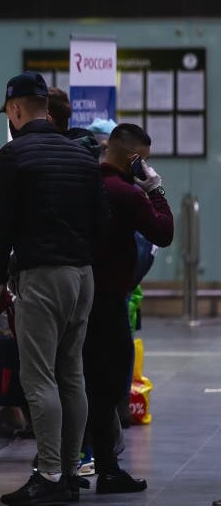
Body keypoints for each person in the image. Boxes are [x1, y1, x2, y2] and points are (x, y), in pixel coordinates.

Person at [0, 71, 108, 505]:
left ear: (16, 110)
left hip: (42, 276)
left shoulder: (14, 155)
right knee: (71, 374)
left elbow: (0, 226)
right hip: (82, 276)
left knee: (38, 378)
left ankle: (51, 475)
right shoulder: (81, 155)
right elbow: (102, 224)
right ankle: (72, 471)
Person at [83, 124, 173, 495]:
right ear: (133, 158)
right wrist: (155, 188)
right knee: (110, 385)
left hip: (79, 295)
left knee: (79, 381)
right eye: (144, 161)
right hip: (111, 299)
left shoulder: (86, 187)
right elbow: (163, 232)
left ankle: (66, 463)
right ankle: (107, 467)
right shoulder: (128, 193)